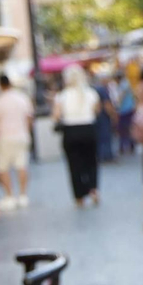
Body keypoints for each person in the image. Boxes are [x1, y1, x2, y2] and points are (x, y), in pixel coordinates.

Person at [53, 65, 102, 206]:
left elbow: (56, 115)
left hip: (71, 131)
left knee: (74, 165)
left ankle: (79, 195)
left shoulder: (62, 95)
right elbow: (97, 110)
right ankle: (93, 188)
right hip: (88, 129)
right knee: (91, 161)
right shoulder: (90, 93)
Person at [0, 73, 35, 208]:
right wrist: (27, 131)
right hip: (21, 136)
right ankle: (23, 195)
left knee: (3, 167)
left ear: (0, 85)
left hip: (4, 138)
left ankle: (9, 196)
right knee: (22, 165)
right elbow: (29, 117)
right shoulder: (22, 98)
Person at [115, 76, 137, 155]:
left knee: (124, 129)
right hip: (128, 109)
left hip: (125, 110)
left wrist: (117, 106)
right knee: (128, 128)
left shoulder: (123, 85)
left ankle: (124, 146)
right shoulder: (127, 84)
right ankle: (130, 145)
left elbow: (120, 97)